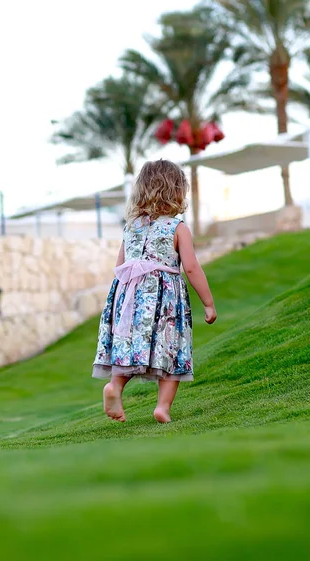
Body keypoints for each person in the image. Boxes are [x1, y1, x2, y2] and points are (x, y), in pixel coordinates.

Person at [92, 159, 217, 423]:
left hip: (130, 295)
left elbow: (120, 266)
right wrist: (208, 303)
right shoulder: (177, 227)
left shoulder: (131, 227)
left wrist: (122, 300)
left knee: (130, 345)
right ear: (177, 191)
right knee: (172, 348)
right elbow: (192, 268)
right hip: (166, 298)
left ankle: (115, 385)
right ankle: (162, 407)